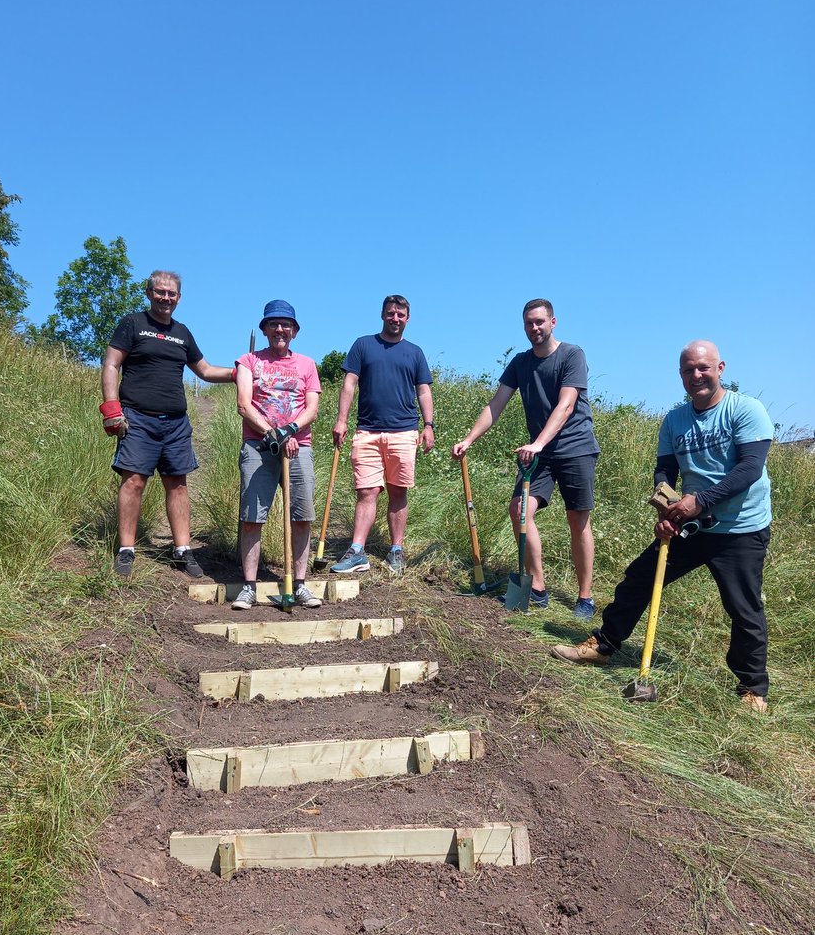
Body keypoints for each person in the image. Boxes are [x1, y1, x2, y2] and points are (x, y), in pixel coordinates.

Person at [552, 340, 773, 713]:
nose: (696, 375)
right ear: (681, 375)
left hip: (741, 528)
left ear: (721, 368)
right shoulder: (675, 420)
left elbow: (749, 469)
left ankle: (753, 689)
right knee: (639, 577)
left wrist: (698, 500)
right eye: (688, 369)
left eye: (703, 367)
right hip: (692, 524)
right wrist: (666, 511)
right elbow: (665, 471)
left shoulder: (745, 410)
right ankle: (603, 645)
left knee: (742, 607)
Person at [451, 299, 599, 617]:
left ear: (553, 322)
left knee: (577, 519)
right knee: (519, 510)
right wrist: (469, 438)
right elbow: (496, 405)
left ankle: (585, 597)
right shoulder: (520, 363)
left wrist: (539, 443)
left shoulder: (572, 354)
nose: (534, 328)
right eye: (529, 324)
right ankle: (538, 588)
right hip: (540, 453)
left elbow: (566, 406)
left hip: (575, 447)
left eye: (539, 322)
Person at [101, 270, 235, 579]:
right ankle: (126, 549)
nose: (165, 297)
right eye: (160, 292)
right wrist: (111, 408)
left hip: (175, 423)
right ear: (149, 293)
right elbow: (111, 364)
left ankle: (182, 550)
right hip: (137, 418)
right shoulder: (133, 324)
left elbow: (204, 369)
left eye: (171, 293)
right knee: (133, 481)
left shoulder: (182, 332)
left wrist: (239, 371)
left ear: (179, 298)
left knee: (177, 484)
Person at [331, 295, 434, 576]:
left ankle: (396, 551)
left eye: (400, 315)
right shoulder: (363, 345)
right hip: (367, 431)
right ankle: (357, 551)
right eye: (391, 314)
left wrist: (429, 425)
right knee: (367, 491)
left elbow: (423, 390)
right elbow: (349, 384)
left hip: (404, 432)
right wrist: (341, 421)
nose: (395, 319)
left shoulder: (415, 352)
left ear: (407, 318)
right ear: (382, 315)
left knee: (398, 491)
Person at [232, 300, 322, 611]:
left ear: (295, 331)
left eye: (285, 324)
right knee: (252, 517)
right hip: (258, 446)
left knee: (302, 516)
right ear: (265, 329)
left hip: (300, 447)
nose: (279, 329)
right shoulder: (248, 361)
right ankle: (249, 586)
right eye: (273, 324)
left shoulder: (307, 365)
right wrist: (275, 434)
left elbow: (312, 408)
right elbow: (244, 405)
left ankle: (299, 585)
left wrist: (291, 430)